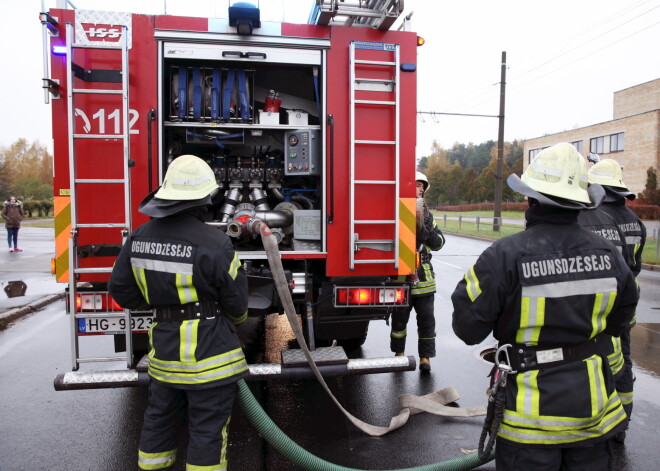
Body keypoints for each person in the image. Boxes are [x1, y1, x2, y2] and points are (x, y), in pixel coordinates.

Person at [451, 143, 639, 470]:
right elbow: (623, 318)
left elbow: (467, 328)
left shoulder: (503, 256)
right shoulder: (610, 254)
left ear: (530, 198)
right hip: (592, 416)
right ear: (581, 201)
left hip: (528, 426)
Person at [108, 155, 249, 471]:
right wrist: (234, 321)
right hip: (211, 360)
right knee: (207, 431)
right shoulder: (217, 244)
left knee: (158, 419)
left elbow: (121, 291)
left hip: (164, 358)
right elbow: (237, 304)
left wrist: (161, 306)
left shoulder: (138, 238)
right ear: (204, 197)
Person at [588, 158, 647, 443]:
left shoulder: (596, 217)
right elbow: (634, 266)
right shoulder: (635, 221)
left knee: (601, 363)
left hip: (603, 307)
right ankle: (622, 424)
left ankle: (601, 422)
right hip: (628, 304)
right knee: (624, 361)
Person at [390, 172, 445, 372]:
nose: (421, 189)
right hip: (401, 278)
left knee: (426, 321)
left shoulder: (428, 216)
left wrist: (428, 234)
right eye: (417, 185)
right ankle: (398, 355)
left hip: (424, 278)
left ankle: (425, 358)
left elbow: (439, 243)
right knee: (399, 320)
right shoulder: (394, 212)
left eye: (423, 186)